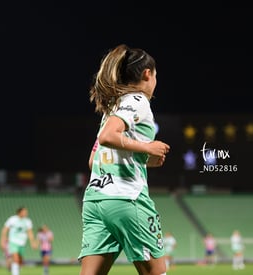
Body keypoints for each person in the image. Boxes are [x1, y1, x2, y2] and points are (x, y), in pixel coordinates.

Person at [78, 44, 171, 275]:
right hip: (127, 198)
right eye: (156, 76)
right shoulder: (137, 100)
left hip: (95, 201)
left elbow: (94, 160)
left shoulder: (112, 107)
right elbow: (108, 136)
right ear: (147, 74)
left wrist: (143, 159)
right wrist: (147, 146)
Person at [0, 206, 38, 275]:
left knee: (20, 261)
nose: (26, 213)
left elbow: (30, 232)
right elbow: (5, 230)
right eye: (24, 212)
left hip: (22, 243)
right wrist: (2, 241)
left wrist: (33, 242)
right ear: (19, 212)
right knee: (16, 259)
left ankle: (15, 270)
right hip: (13, 242)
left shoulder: (27, 221)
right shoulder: (12, 219)